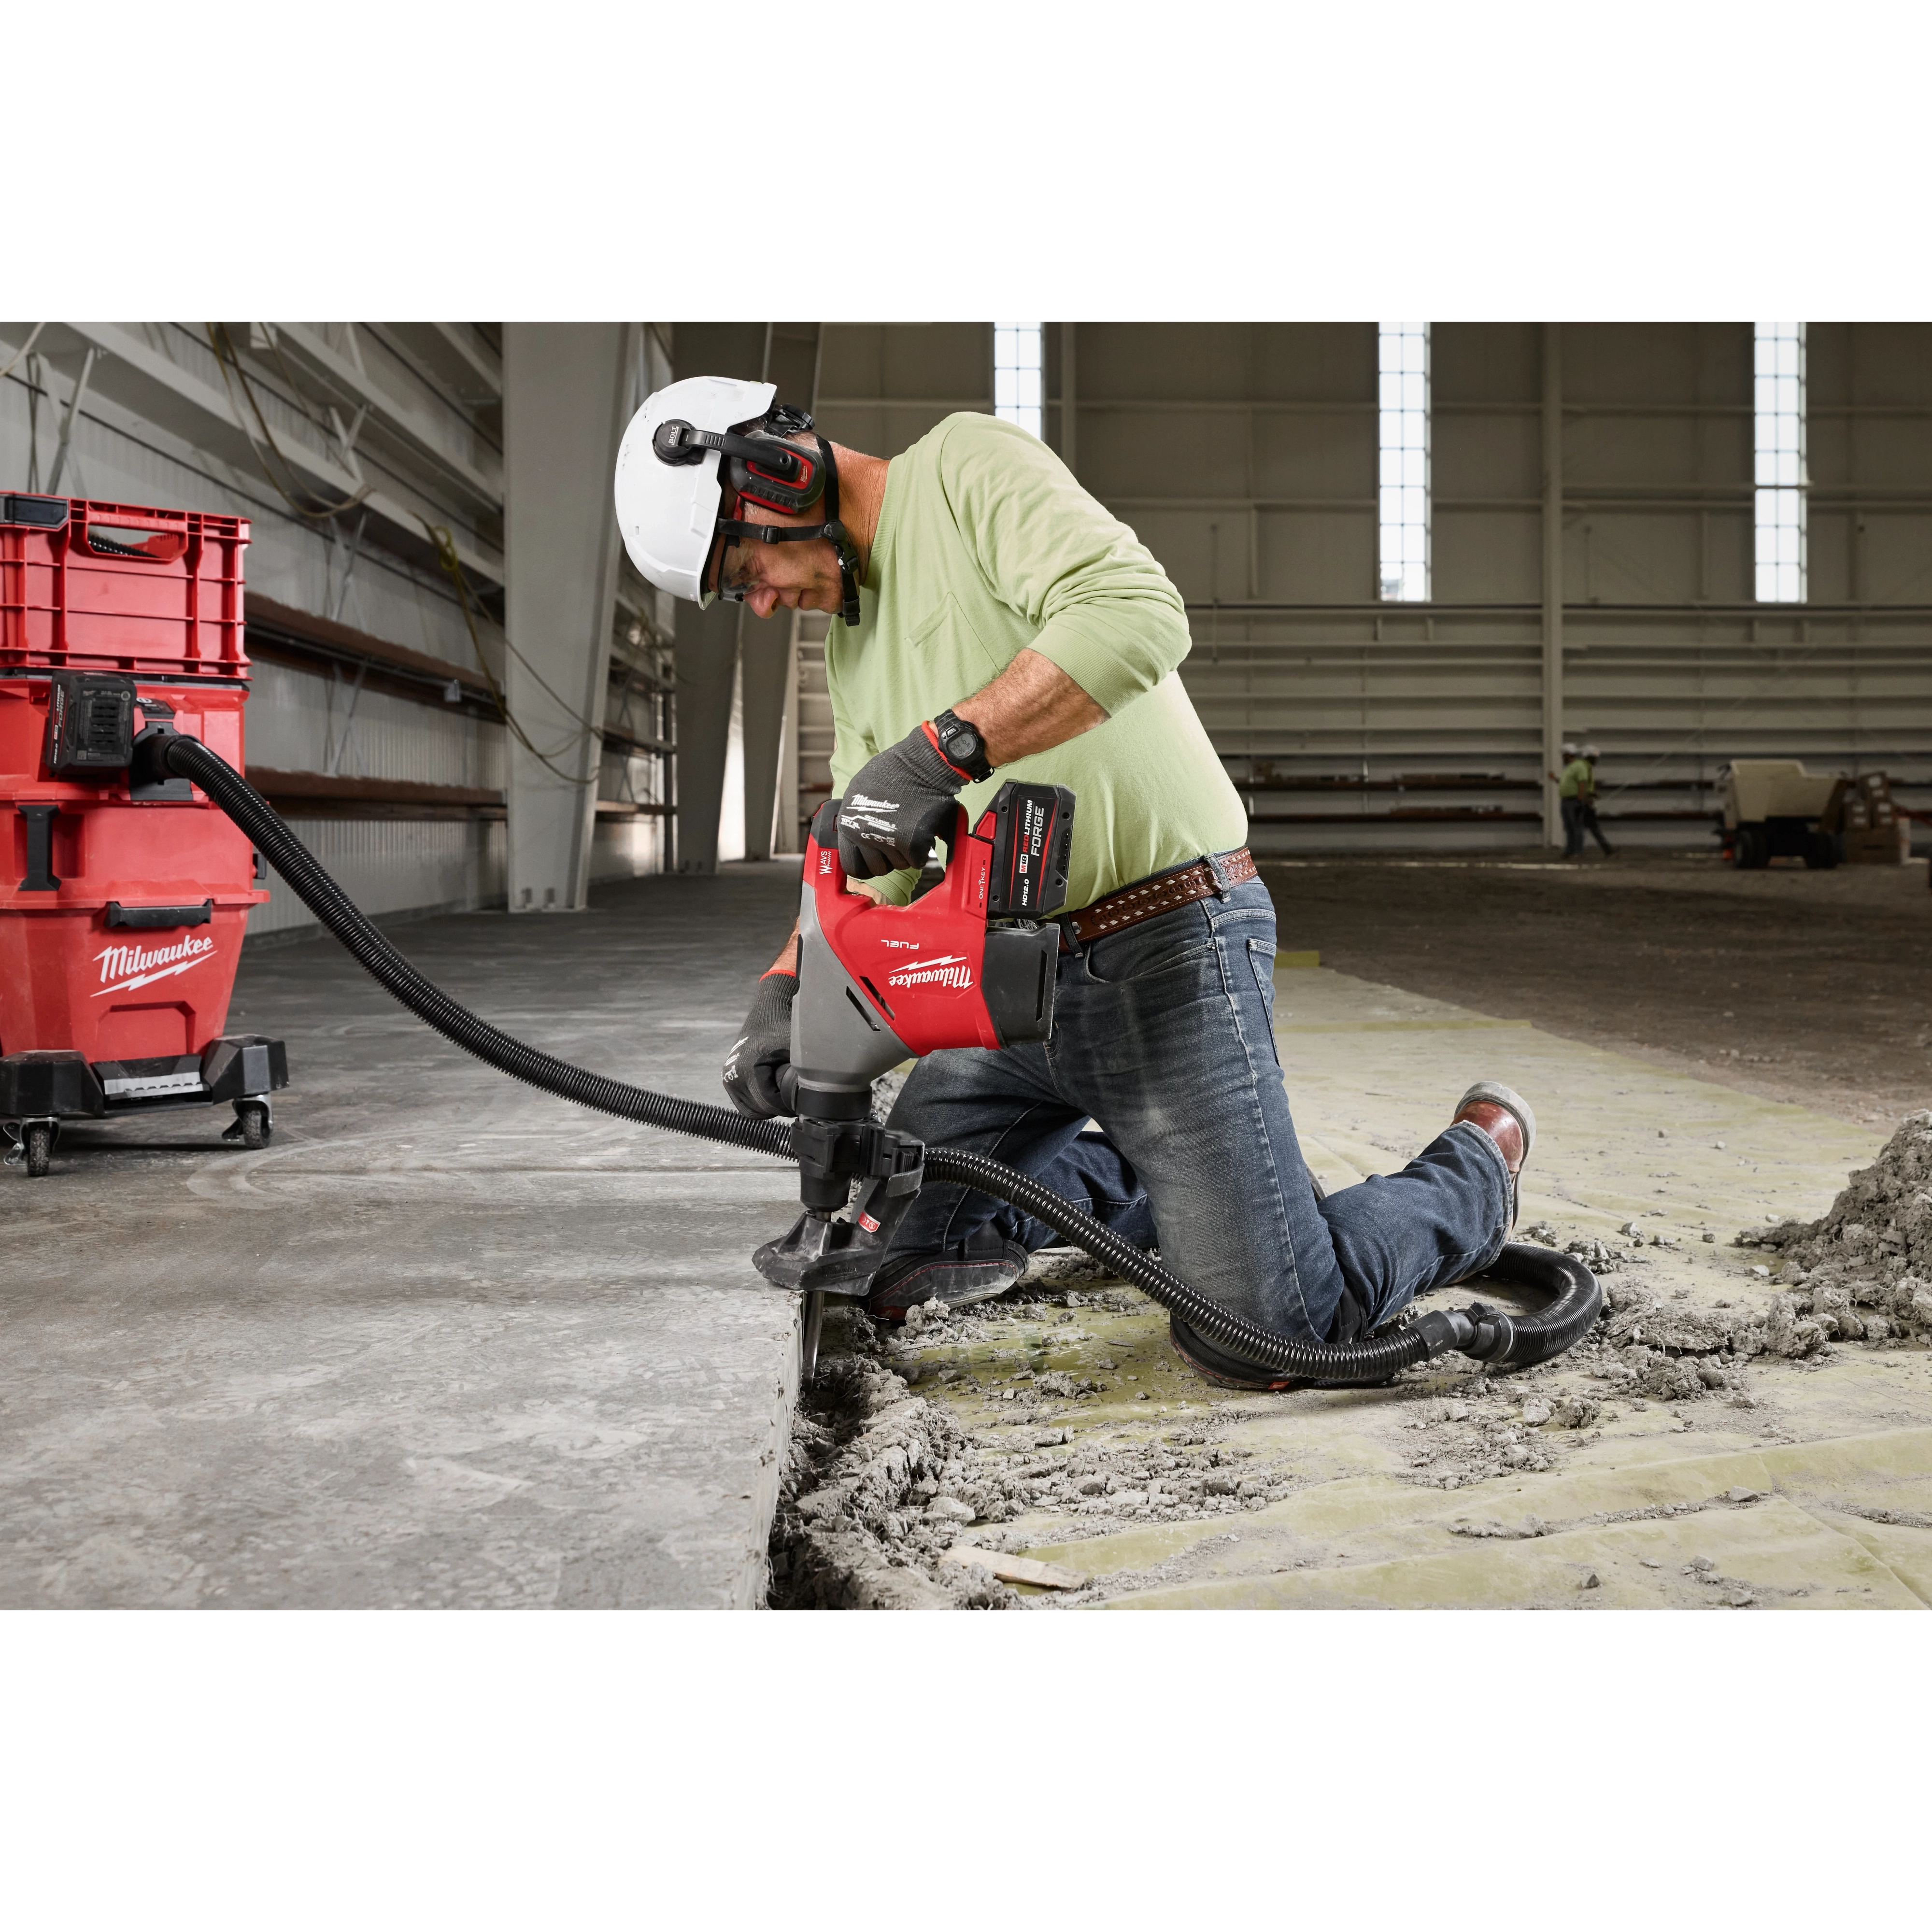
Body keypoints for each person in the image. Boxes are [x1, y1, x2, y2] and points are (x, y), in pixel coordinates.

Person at [612, 375, 1536, 1387]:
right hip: (1007, 988)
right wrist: (783, 990)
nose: (757, 599)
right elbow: (858, 861)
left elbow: (1134, 613)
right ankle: (1178, 1173)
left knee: (1269, 1333)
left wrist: (940, 751)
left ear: (774, 474)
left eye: (742, 565)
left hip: (1167, 950)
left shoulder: (964, 469)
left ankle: (1474, 1167)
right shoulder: (851, 647)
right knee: (892, 1255)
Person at [1577, 744, 1615, 857]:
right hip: (1585, 802)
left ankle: (1607, 849)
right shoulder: (1585, 768)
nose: (1597, 760)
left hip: (1584, 801)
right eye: (1595, 757)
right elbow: (1582, 785)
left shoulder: (1585, 767)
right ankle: (1608, 850)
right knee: (1592, 827)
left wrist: (1592, 794)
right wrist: (1587, 798)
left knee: (1585, 827)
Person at [1556, 742, 1591, 859]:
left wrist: (1580, 801)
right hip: (1567, 800)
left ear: (1568, 755)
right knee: (1569, 827)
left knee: (1576, 827)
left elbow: (1582, 783)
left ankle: (1578, 851)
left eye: (1563, 755)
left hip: (1574, 801)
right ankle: (1570, 850)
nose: (1562, 758)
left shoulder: (1579, 766)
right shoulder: (1569, 767)